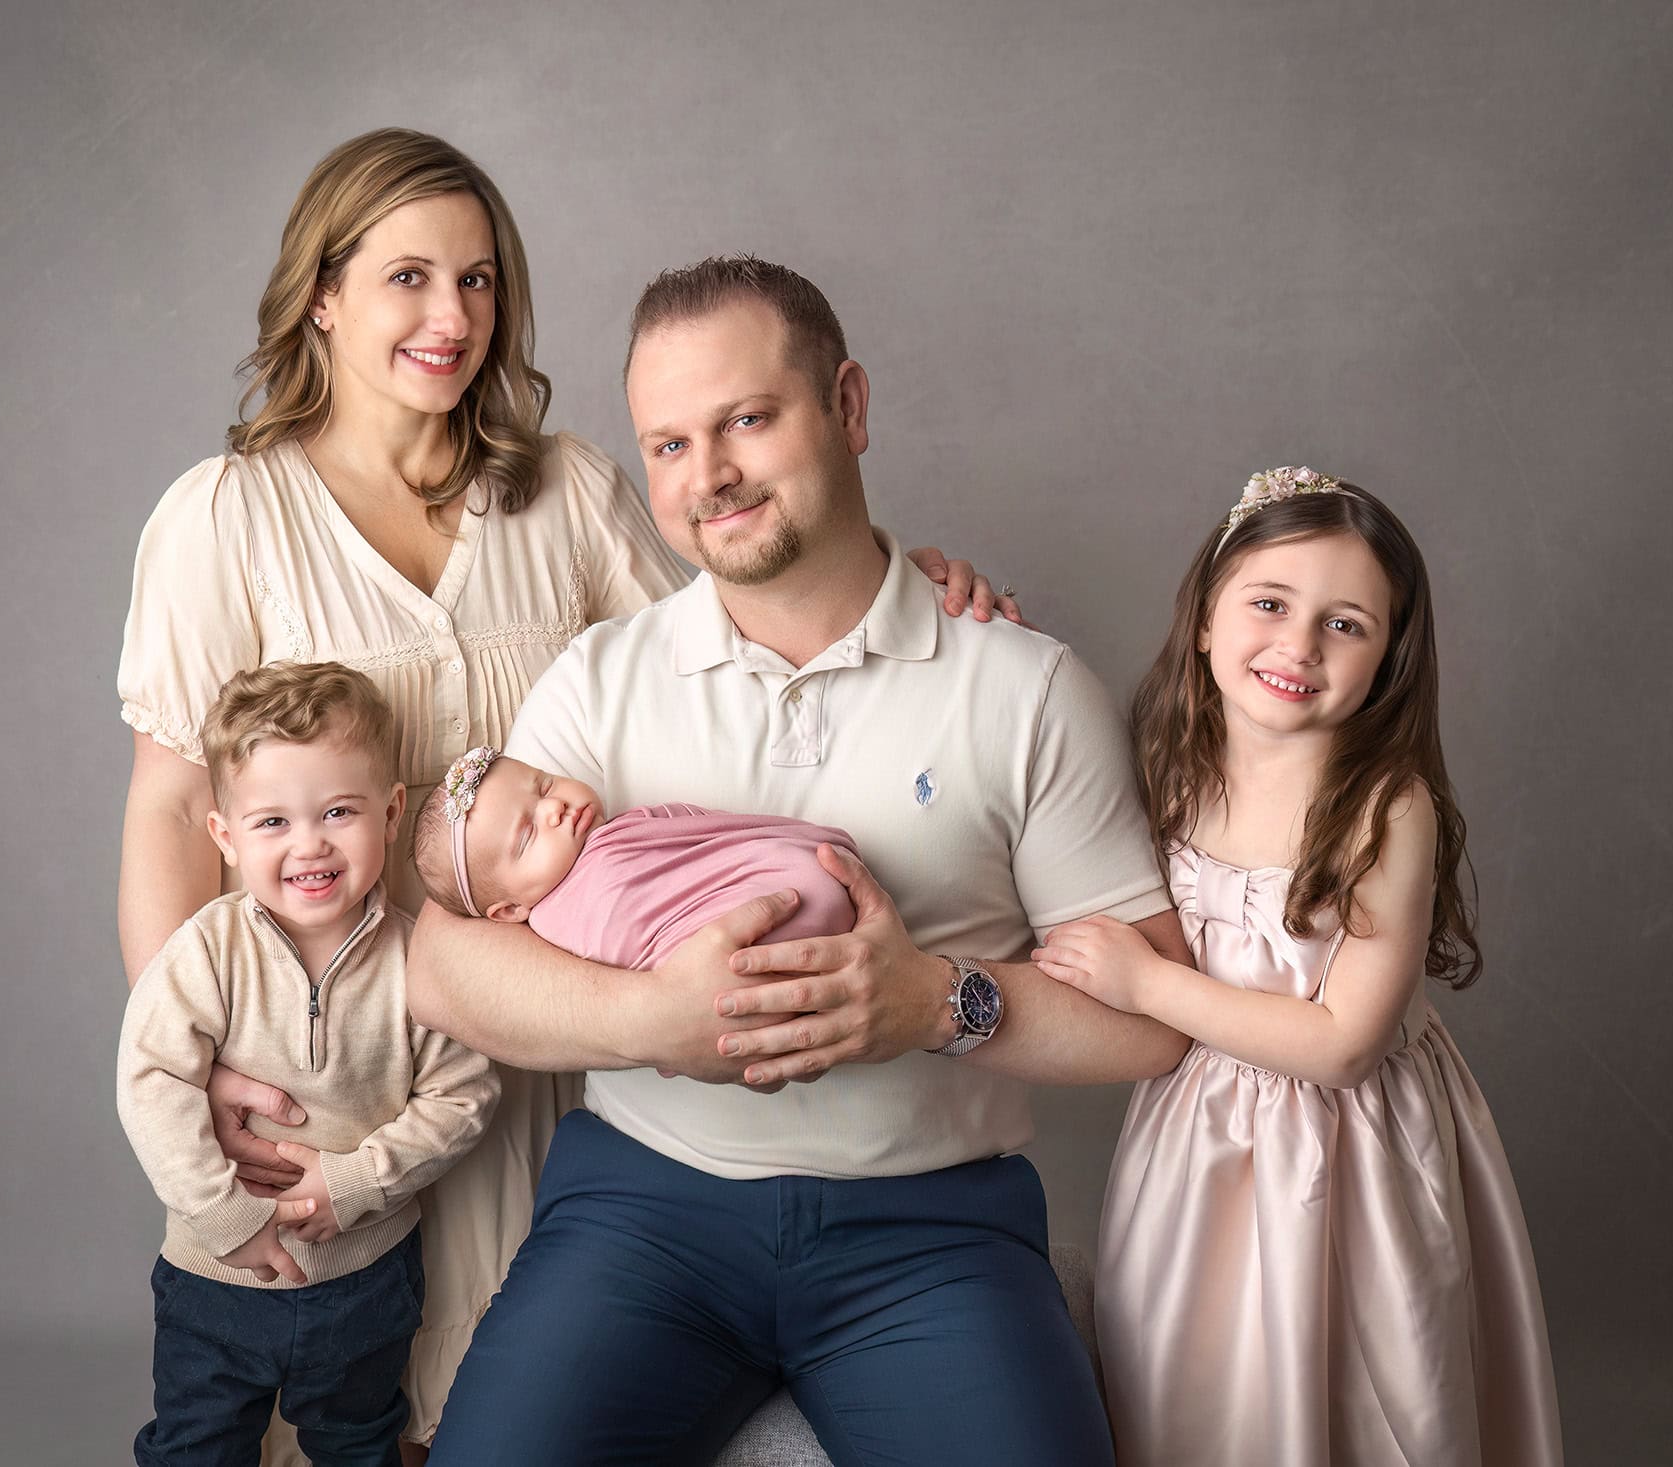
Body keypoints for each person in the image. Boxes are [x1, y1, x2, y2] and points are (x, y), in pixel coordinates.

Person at [114, 130, 1015, 1464]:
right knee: (337, 1406)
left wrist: (898, 579)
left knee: (492, 1407)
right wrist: (204, 1048)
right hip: (339, 1051)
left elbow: (737, 651)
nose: (451, 317)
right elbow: (162, 810)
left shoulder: (564, 487)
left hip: (543, 1045)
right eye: (407, 277)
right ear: (322, 293)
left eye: (479, 281)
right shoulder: (224, 516)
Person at [410, 255, 1194, 1466]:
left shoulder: (1022, 686)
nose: (706, 475)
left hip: (931, 1233)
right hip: (640, 1212)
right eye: (666, 445)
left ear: (849, 406)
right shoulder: (599, 682)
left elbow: (1152, 1017)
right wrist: (650, 1018)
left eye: (745, 420)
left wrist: (935, 1003)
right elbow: (446, 970)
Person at [1031, 469, 1562, 1465]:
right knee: (1194, 1379)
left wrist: (1146, 987)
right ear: (1202, 618)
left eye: (1344, 624)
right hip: (1197, 1141)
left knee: (1359, 1383)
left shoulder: (1381, 810)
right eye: (1269, 604)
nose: (1297, 645)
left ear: (1385, 661)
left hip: (1348, 1156)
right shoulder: (1168, 766)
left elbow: (1341, 1044)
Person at [118, 661, 499, 1465]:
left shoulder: (416, 958)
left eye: (337, 811)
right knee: (196, 1444)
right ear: (225, 834)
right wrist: (227, 1217)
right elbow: (152, 1080)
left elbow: (463, 1095)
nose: (310, 844)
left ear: (391, 811)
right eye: (272, 823)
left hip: (365, 1272)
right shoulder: (209, 951)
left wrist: (356, 1180)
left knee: (361, 1443)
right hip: (216, 1276)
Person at [408, 747, 858, 973]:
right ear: (509, 910)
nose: (554, 808)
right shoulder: (565, 928)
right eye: (527, 834)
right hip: (770, 943)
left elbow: (709, 835)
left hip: (806, 897)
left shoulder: (622, 834)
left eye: (543, 785)